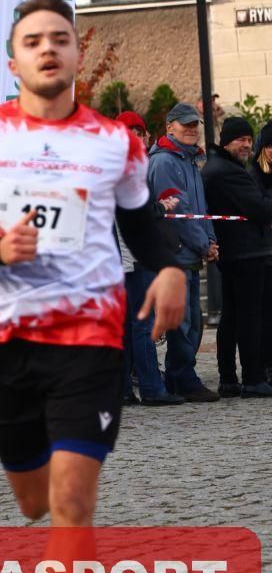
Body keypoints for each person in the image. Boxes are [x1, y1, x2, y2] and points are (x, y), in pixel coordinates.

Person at [0, 0, 185, 573]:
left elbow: (143, 225)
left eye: (60, 39)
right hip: (6, 340)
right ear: (13, 60)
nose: (48, 48)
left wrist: (170, 269)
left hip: (90, 340)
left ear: (75, 53)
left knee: (72, 500)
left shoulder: (114, 142)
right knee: (33, 501)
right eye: (34, 40)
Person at [148, 102, 220, 402]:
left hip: (188, 252)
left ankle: (181, 376)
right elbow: (180, 215)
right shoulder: (165, 162)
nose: (192, 129)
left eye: (195, 124)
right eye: (185, 124)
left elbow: (201, 210)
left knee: (190, 320)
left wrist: (210, 239)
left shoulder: (188, 160)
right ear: (170, 127)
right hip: (174, 253)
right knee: (182, 321)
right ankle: (183, 378)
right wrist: (204, 244)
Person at [113, 111, 184, 406]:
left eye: (137, 132)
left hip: (126, 255)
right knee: (142, 324)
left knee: (129, 326)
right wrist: (161, 207)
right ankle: (152, 389)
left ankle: (124, 390)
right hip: (131, 255)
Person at [202, 117, 272, 397]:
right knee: (249, 317)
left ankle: (229, 378)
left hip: (237, 251)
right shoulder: (228, 171)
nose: (246, 145)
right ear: (226, 142)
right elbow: (260, 209)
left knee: (232, 316)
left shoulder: (221, 167)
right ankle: (253, 378)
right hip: (245, 252)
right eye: (240, 139)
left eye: (248, 140)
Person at [249, 121, 272, 377]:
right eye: (270, 145)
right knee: (265, 314)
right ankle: (264, 364)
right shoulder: (254, 175)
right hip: (263, 253)